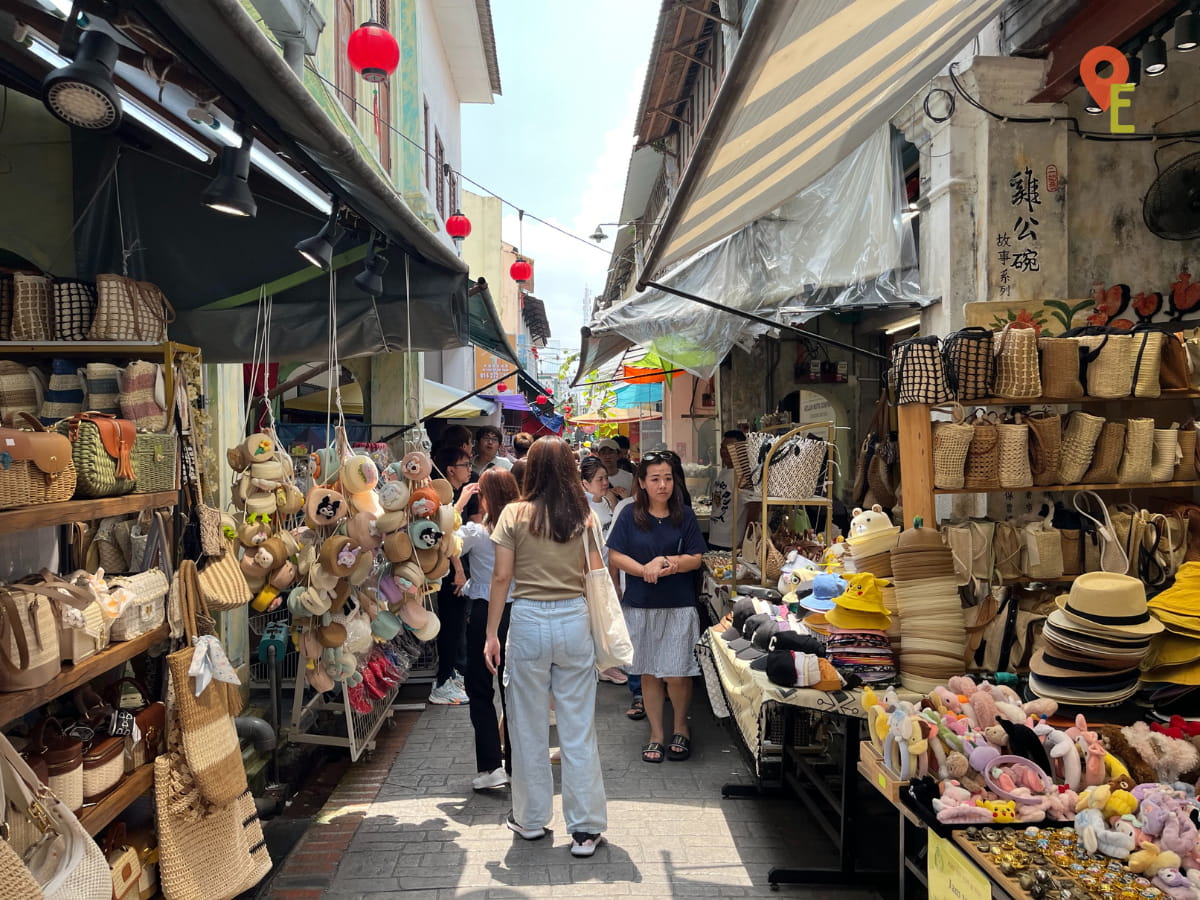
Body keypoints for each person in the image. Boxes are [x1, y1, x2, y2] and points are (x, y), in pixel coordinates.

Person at [485, 436, 607, 857]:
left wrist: (490, 634)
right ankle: (586, 829)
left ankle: (532, 820)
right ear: (571, 470)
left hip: (529, 620)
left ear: (531, 468)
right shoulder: (582, 514)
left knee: (528, 726)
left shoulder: (513, 515)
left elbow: (501, 579)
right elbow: (595, 575)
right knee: (577, 728)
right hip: (574, 618)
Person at [606, 450, 706, 764]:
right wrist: (642, 570)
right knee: (649, 672)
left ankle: (681, 726)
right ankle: (656, 733)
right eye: (655, 479)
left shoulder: (684, 515)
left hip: (678, 604)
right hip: (641, 604)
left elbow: (695, 558)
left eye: (667, 478)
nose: (662, 485)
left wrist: (665, 562)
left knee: (676, 673)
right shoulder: (629, 514)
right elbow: (615, 556)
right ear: (642, 483)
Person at [455, 469, 520, 790]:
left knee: (480, 690)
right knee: (515, 691)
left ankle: (491, 766)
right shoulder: (526, 530)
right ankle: (518, 764)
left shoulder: (477, 533)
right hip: (520, 613)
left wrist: (458, 502)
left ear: (485, 498)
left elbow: (442, 540)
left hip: (484, 612)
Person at [428, 445, 480, 705]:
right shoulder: (441, 496)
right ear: (451, 469)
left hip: (454, 570)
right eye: (465, 465)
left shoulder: (450, 494)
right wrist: (459, 571)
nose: (469, 470)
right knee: (451, 626)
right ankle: (443, 681)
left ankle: (454, 675)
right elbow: (446, 534)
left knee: (458, 625)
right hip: (448, 571)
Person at [708, 430, 748, 551]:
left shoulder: (743, 476)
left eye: (729, 448)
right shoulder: (723, 472)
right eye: (722, 447)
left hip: (732, 542)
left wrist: (746, 539)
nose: (723, 451)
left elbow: (754, 507)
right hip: (715, 538)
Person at [580, 456, 620, 532]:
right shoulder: (582, 507)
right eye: (600, 479)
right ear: (586, 484)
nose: (605, 483)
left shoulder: (608, 501)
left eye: (606, 478)